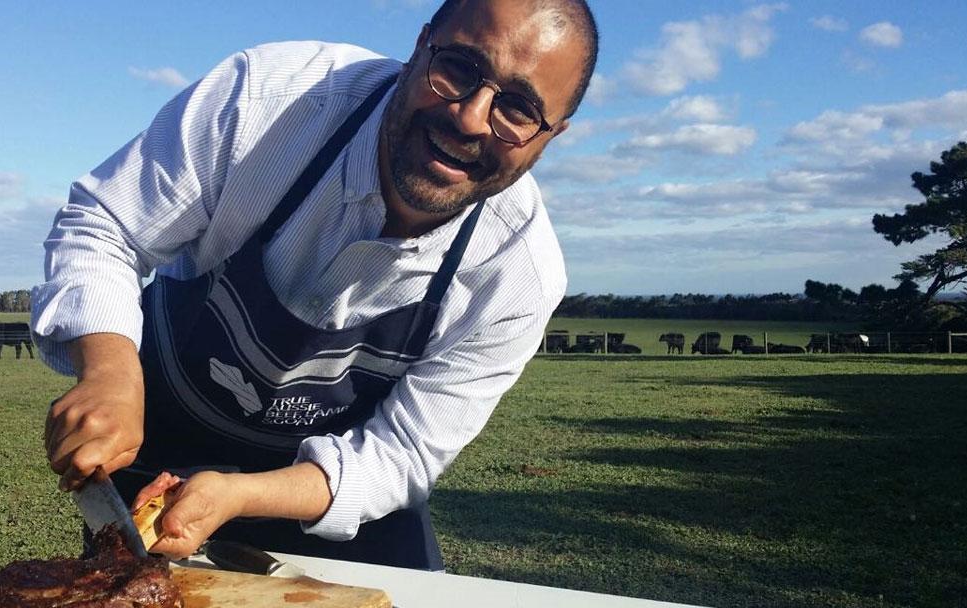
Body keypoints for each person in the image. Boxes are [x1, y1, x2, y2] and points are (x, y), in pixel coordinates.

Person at [31, 0, 599, 570]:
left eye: (520, 109)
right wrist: (109, 375)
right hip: (165, 455)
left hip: (339, 499)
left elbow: (401, 455)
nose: (471, 117)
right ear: (420, 46)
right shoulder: (263, 101)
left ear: (552, 134)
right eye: (457, 68)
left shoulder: (519, 276)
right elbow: (106, 225)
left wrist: (243, 495)